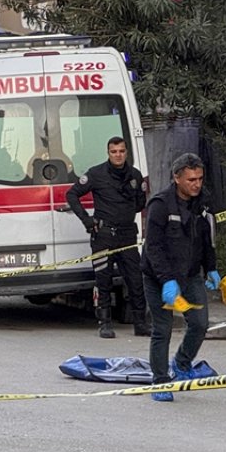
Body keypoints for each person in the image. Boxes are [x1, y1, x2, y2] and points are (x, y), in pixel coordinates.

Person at [140, 153, 218, 402]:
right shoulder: (160, 205)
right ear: (176, 178)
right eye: (191, 179)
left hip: (190, 274)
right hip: (159, 277)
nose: (196, 184)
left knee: (199, 323)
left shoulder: (202, 202)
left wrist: (212, 268)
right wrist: (166, 280)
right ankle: (160, 380)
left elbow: (207, 239)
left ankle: (182, 364)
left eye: (200, 179)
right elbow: (153, 247)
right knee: (162, 329)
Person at [65, 137, 149, 339]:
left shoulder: (135, 176)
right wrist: (87, 220)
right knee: (104, 280)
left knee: (136, 280)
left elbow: (140, 203)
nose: (118, 155)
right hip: (104, 235)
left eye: (121, 151)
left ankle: (141, 323)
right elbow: (72, 195)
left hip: (127, 234)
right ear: (108, 153)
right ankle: (104, 323)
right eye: (114, 151)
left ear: (126, 152)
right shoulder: (96, 174)